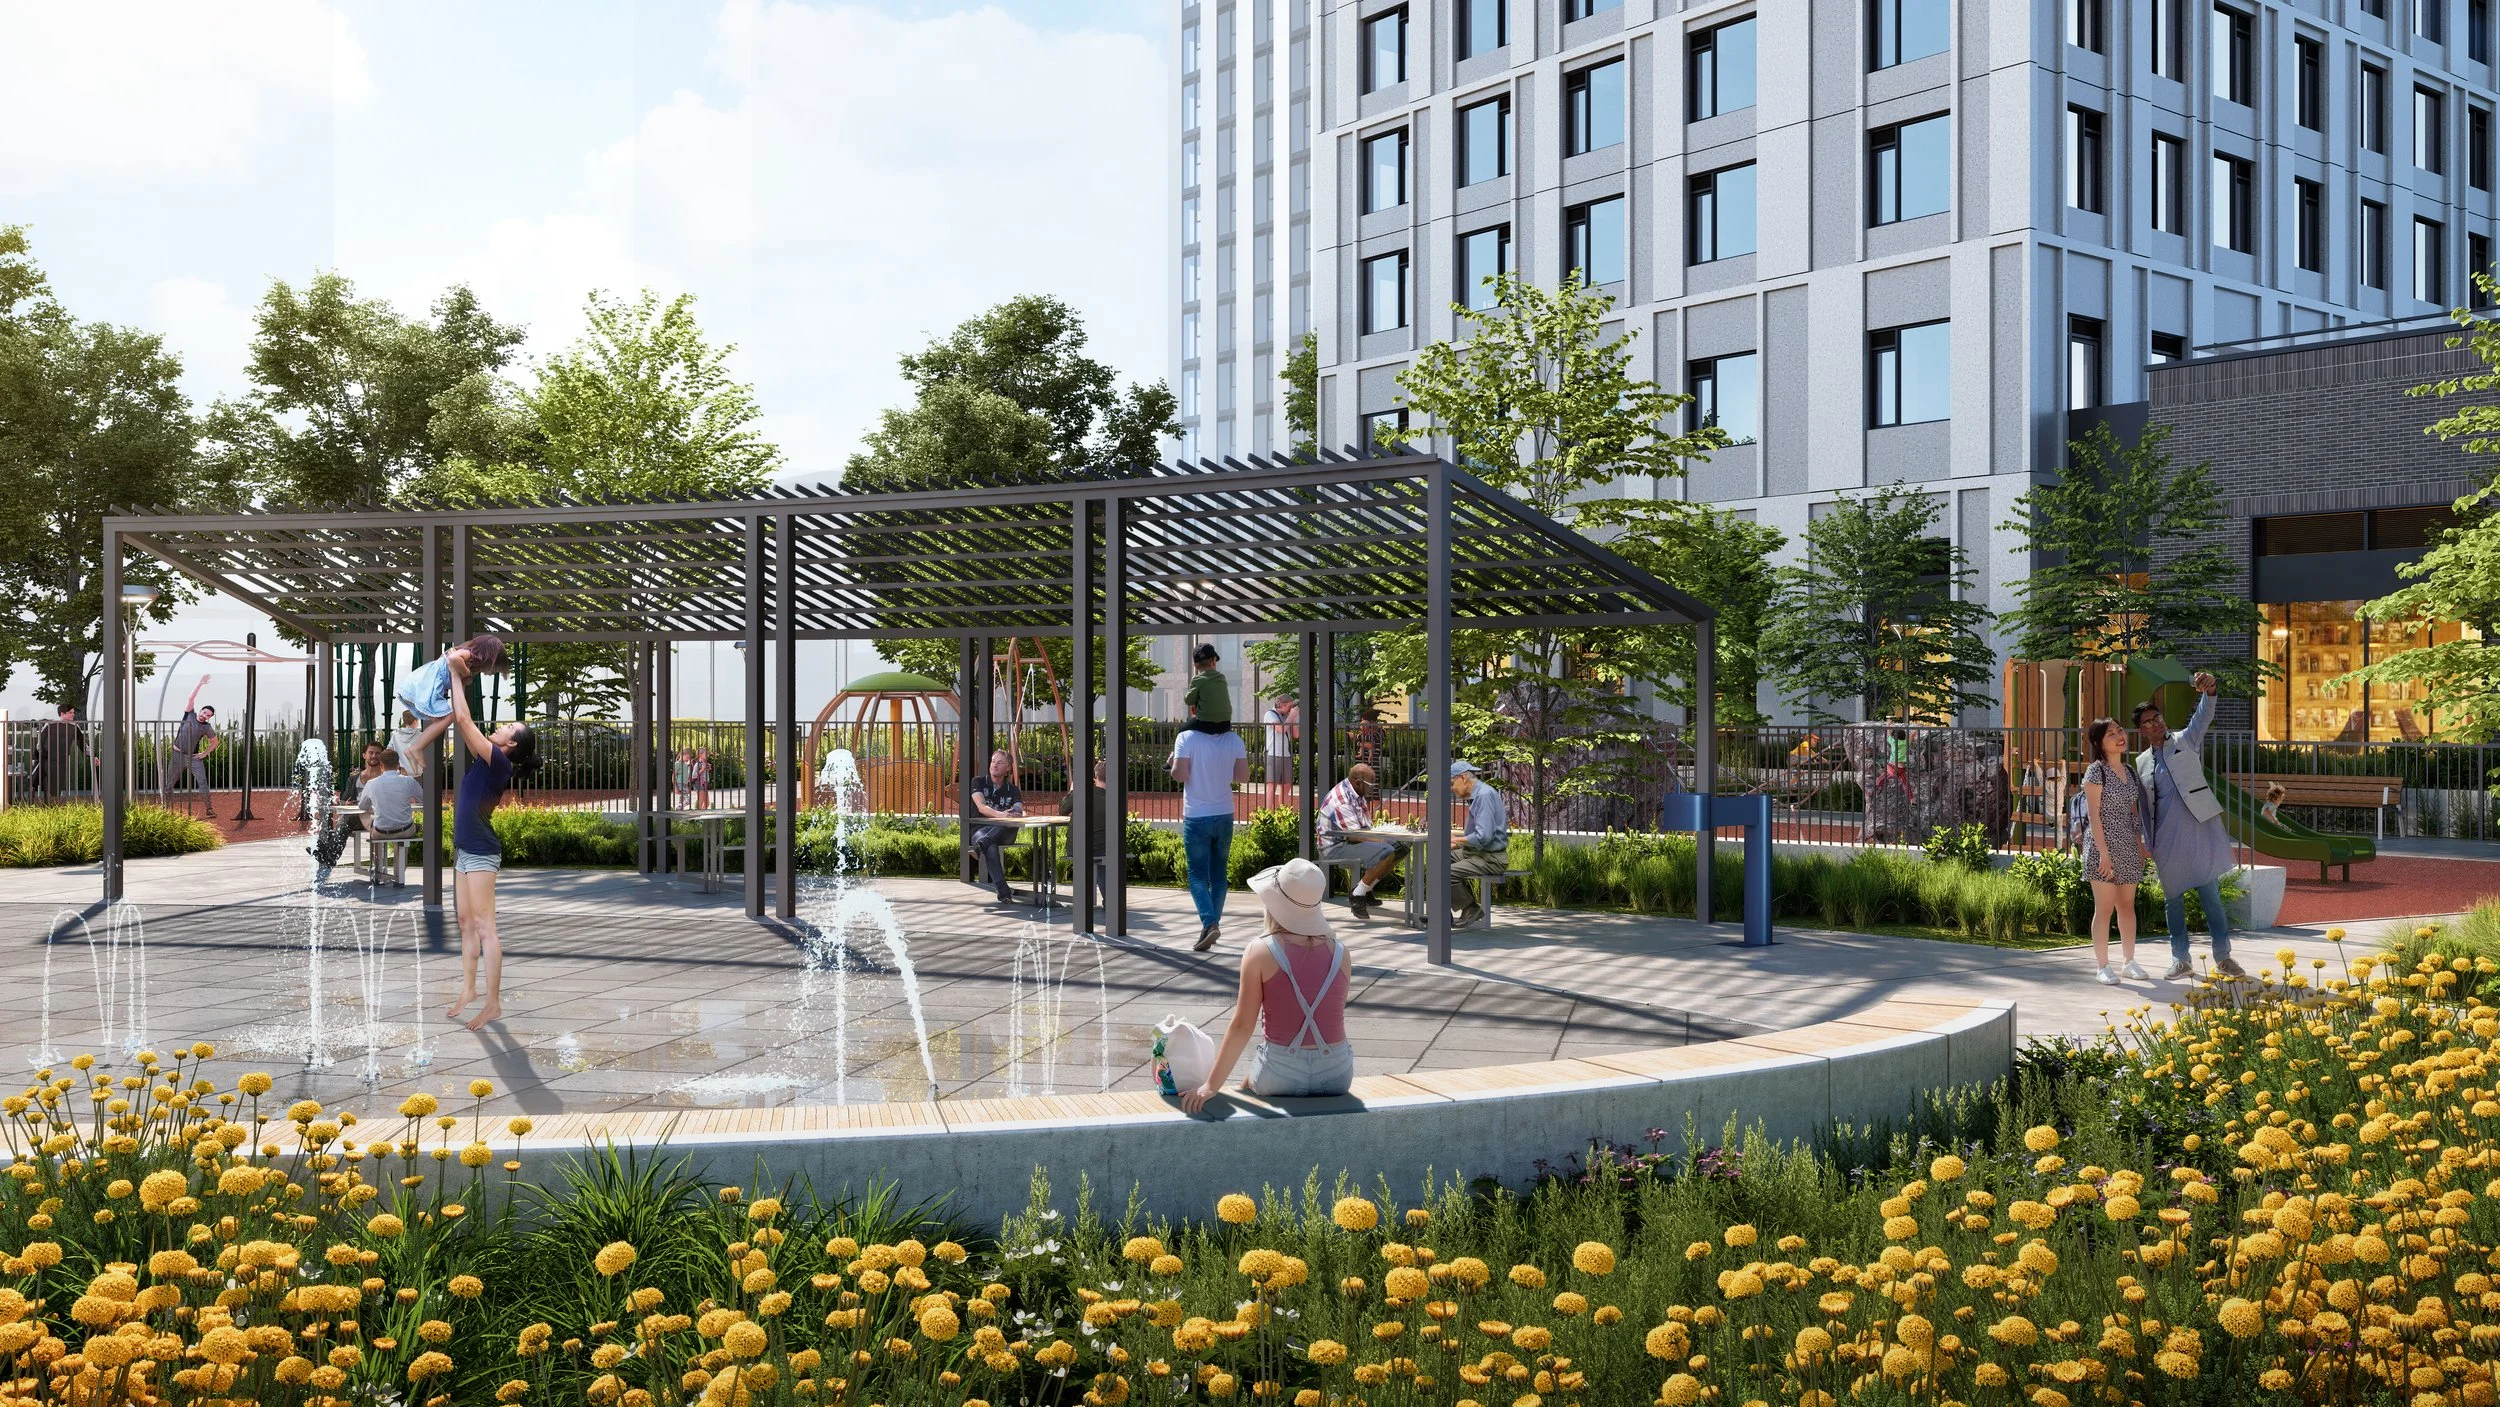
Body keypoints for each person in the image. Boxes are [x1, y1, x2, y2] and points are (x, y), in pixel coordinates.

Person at [1180, 858, 1354, 1109]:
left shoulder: (1261, 951)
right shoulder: (1341, 953)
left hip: (1281, 1071)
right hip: (1337, 1072)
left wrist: (1210, 1086)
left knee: (1247, 1084)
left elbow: (1242, 1026)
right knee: (1251, 1081)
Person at [2132, 672, 2246, 980]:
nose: (2157, 723)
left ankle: (2224, 958)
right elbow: (2143, 806)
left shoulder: (2186, 740)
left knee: (2211, 897)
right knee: (2173, 902)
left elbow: (2203, 716)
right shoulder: (2141, 762)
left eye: (2158, 718)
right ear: (2141, 730)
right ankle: (2180, 959)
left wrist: (2210, 691)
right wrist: (2147, 841)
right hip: (2165, 838)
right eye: (2149, 722)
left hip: (2197, 829)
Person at [442, 678, 535, 1032]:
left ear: (511, 744)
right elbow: (464, 725)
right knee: (466, 923)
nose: (501, 726)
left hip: (481, 853)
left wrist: (455, 675)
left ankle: (493, 1004)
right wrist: (454, 691)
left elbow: (465, 721)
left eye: (509, 727)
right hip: (465, 851)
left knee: (485, 928)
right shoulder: (486, 757)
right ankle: (469, 989)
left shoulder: (500, 764)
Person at [2078, 718, 2151, 986]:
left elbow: (2133, 813)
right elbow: (2094, 817)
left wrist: (2139, 846)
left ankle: (2129, 962)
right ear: (2099, 742)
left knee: (2127, 906)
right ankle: (2103, 966)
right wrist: (2104, 853)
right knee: (2105, 908)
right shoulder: (2096, 771)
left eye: (2120, 731)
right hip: (2102, 846)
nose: (2120, 736)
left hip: (2128, 846)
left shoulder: (2130, 771)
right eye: (2111, 734)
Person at [1170, 717, 1250, 951]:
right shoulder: (1234, 739)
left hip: (1197, 815)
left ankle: (1210, 922)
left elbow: (1179, 774)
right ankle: (1211, 925)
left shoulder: (1185, 738)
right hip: (1224, 813)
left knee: (1196, 875)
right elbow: (1243, 777)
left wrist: (1174, 761)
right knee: (1218, 875)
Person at [392, 634, 509, 778]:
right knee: (450, 716)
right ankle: (416, 748)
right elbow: (454, 659)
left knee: (441, 721)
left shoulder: (467, 657)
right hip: (427, 685)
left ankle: (415, 750)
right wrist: (466, 673)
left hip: (426, 684)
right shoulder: (468, 653)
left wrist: (465, 676)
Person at [1317, 762, 1402, 919]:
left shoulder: (1356, 793)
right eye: (1371, 784)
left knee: (1400, 847)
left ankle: (1366, 889)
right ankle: (1357, 895)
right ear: (1358, 782)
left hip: (1351, 841)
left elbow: (1366, 827)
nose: (1373, 788)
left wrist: (1387, 835)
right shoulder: (1342, 799)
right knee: (1388, 851)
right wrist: (1381, 841)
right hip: (1335, 847)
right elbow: (1355, 835)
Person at [1447, 761, 1510, 928]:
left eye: (1452, 784)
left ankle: (1470, 909)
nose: (1452, 789)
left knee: (1445, 873)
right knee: (1437, 859)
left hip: (1491, 858)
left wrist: (1456, 840)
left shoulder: (1483, 795)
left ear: (1463, 778)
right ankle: (1441, 913)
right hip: (1476, 853)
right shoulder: (1478, 795)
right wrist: (1459, 842)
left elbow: (1484, 837)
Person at [966, 749, 1026, 904]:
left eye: (1000, 762)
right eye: (993, 761)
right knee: (990, 845)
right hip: (980, 829)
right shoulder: (978, 782)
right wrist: (1002, 815)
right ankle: (1004, 893)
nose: (994, 765)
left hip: (1005, 832)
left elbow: (1019, 808)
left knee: (1005, 825)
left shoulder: (1013, 790)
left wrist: (1017, 812)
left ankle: (980, 846)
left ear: (1008, 768)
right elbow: (981, 807)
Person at [158, 677, 220, 817]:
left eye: (208, 715)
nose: (205, 715)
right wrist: (199, 684)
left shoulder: (207, 727)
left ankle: (209, 809)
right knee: (169, 783)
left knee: (202, 782)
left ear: (209, 718)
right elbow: (191, 697)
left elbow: (215, 742)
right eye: (204, 712)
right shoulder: (189, 714)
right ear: (200, 711)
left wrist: (204, 753)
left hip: (193, 758)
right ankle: (165, 808)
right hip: (177, 755)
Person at [29, 705, 84, 803]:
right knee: (41, 783)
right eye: (70, 712)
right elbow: (40, 744)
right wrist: (42, 756)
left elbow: (82, 744)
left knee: (56, 786)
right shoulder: (50, 725)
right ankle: (37, 805)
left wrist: (91, 756)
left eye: (73, 712)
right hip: (46, 760)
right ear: (62, 714)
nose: (73, 715)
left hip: (60, 761)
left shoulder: (74, 726)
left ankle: (52, 808)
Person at [1183, 643, 1232, 733]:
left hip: (1206, 723)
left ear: (1196, 666)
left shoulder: (1197, 679)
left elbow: (1188, 700)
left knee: (1182, 729)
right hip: (1226, 724)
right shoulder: (1221, 677)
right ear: (1213, 661)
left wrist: (1195, 703)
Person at [1262, 694, 1298, 803]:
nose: (1290, 709)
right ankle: (1269, 815)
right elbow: (1280, 729)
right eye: (1289, 707)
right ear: (1282, 705)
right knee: (1271, 787)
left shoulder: (1286, 717)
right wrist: (1291, 716)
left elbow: (1296, 734)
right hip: (1272, 754)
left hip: (1285, 754)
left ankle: (1283, 815)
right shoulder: (1270, 714)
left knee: (1286, 786)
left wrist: (1293, 717)